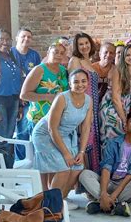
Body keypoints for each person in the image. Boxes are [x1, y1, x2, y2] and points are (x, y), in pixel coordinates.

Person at [31, 69, 92, 207]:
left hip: (64, 135)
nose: (80, 84)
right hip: (45, 135)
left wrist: (81, 152)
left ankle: (59, 199)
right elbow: (52, 129)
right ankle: (51, 205)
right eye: (75, 81)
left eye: (83, 81)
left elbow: (86, 127)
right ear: (69, 84)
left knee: (77, 167)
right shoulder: (62, 98)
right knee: (63, 168)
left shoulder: (88, 100)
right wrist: (66, 153)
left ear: (87, 83)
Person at [80, 110, 131, 217]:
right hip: (109, 182)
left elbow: (130, 175)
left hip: (127, 187)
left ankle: (103, 203)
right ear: (125, 126)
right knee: (84, 175)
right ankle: (113, 204)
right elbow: (106, 168)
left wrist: (113, 196)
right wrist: (103, 193)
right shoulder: (113, 143)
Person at [20, 39, 69, 138]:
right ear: (48, 53)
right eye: (55, 52)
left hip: (57, 119)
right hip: (39, 118)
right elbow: (24, 95)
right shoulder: (39, 70)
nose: (59, 55)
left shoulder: (63, 70)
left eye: (62, 53)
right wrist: (48, 97)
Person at [68, 32, 101, 173]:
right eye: (80, 44)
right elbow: (74, 87)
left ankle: (92, 178)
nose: (84, 46)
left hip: (93, 106)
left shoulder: (90, 61)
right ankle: (83, 181)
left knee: (92, 141)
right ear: (76, 46)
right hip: (82, 106)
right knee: (85, 142)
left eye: (86, 43)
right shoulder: (75, 60)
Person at [99, 45, 131, 142]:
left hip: (125, 109)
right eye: (128, 55)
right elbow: (115, 98)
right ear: (123, 57)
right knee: (112, 142)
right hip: (112, 108)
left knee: (124, 142)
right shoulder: (118, 70)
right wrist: (124, 119)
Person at [11, 27, 41, 160]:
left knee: (32, 130)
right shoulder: (9, 53)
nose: (26, 39)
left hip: (30, 99)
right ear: (17, 38)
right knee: (21, 132)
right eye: (23, 36)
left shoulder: (34, 55)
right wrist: (19, 100)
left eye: (29, 37)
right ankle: (20, 161)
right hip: (13, 99)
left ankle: (32, 161)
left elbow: (39, 77)